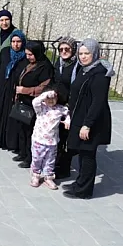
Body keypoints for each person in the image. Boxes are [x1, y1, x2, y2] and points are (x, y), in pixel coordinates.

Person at [62, 39, 114, 199]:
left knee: (87, 154)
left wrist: (87, 125)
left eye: (87, 54)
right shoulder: (84, 69)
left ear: (95, 54)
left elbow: (98, 102)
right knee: (83, 153)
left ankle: (84, 190)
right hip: (80, 116)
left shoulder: (100, 74)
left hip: (91, 120)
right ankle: (80, 182)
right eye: (81, 53)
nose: (83, 57)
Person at [6, 41, 54, 169]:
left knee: (30, 131)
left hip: (35, 104)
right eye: (27, 54)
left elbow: (44, 87)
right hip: (24, 102)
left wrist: (25, 90)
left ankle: (30, 157)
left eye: (31, 54)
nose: (28, 57)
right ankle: (23, 152)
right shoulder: (30, 64)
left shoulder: (45, 67)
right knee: (22, 129)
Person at [0, 30, 27, 149]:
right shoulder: (5, 52)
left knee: (9, 116)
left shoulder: (25, 56)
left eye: (18, 41)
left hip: (13, 90)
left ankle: (6, 141)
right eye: (13, 41)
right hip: (0, 87)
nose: (16, 44)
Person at [30, 87, 70, 190]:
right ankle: (36, 175)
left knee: (50, 160)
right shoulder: (41, 108)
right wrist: (45, 95)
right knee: (36, 159)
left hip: (52, 142)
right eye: (48, 98)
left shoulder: (60, 109)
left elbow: (67, 113)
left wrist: (67, 121)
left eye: (54, 98)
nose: (51, 100)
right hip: (39, 140)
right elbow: (35, 102)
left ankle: (48, 177)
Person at [52, 36, 79, 179]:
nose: (64, 51)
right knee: (58, 135)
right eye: (61, 49)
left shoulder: (77, 65)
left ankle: (65, 167)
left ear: (73, 49)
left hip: (70, 105)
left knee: (66, 137)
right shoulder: (60, 62)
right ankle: (57, 162)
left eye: (67, 49)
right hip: (59, 103)